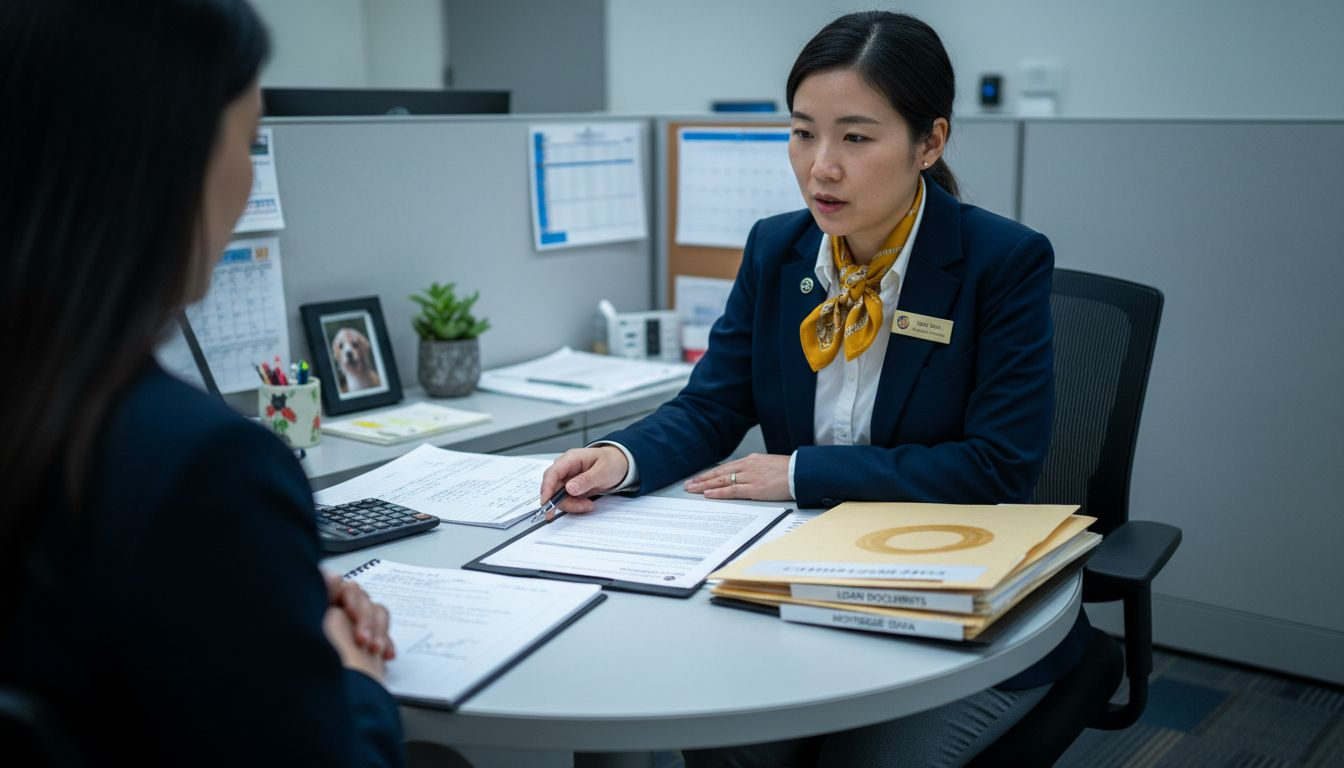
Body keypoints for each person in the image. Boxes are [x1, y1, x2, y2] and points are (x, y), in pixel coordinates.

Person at [540, 11, 1088, 767]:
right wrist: (620, 458)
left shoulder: (1001, 262)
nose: (819, 167)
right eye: (803, 133)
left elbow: (997, 467)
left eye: (856, 138)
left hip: (951, 593)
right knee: (714, 741)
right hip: (804, 581)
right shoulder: (780, 247)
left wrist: (798, 473)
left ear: (929, 142)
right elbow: (713, 404)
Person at [0, 1, 404, 765]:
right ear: (167, 159)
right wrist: (355, 673)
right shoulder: (201, 467)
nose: (250, 177)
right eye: (248, 141)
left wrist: (259, 591)